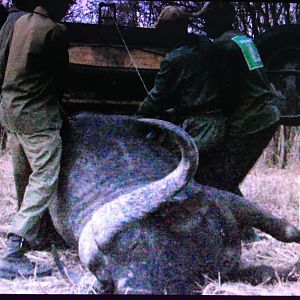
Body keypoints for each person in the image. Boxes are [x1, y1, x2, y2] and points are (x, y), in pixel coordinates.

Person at [0, 0, 74, 280]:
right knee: (44, 176)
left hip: (11, 111)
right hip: (37, 116)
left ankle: (37, 234)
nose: (68, 8)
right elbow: (60, 80)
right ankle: (15, 248)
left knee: (23, 173)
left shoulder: (18, 22)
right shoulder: (55, 31)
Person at [193, 2, 281, 195]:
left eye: (207, 19)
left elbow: (226, 91)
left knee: (218, 179)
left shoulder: (222, 45)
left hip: (250, 118)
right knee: (226, 178)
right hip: (266, 113)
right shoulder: (243, 40)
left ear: (221, 18)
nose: (204, 25)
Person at [137, 6, 226, 162]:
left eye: (163, 31)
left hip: (199, 128)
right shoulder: (205, 44)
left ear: (169, 32)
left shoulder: (173, 59)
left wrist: (137, 118)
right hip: (219, 123)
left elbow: (157, 97)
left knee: (163, 159)